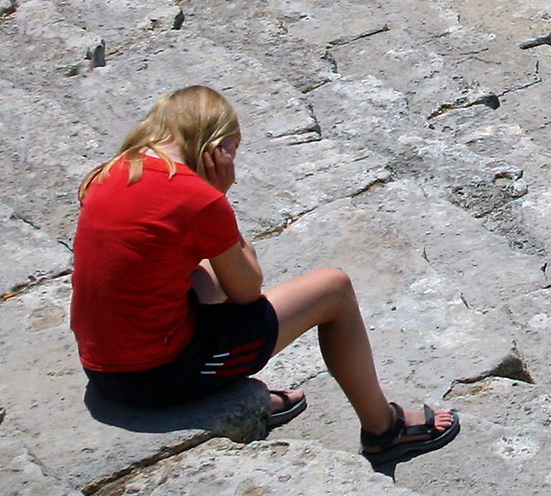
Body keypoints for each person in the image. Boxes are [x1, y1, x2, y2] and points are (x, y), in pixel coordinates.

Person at [71, 84, 459, 468]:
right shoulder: (197, 198)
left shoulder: (110, 172)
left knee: (205, 274)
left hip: (102, 367)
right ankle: (384, 428)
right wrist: (219, 197)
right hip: (158, 377)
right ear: (217, 148)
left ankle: (231, 387)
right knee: (333, 289)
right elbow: (247, 291)